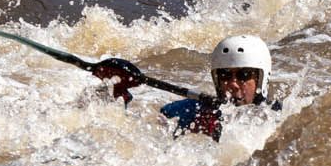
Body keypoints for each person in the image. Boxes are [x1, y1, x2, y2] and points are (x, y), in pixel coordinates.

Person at [89, 33, 279, 143]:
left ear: (261, 79)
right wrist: (114, 96)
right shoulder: (191, 110)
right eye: (225, 75)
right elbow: (146, 131)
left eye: (244, 75)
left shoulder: (277, 118)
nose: (233, 83)